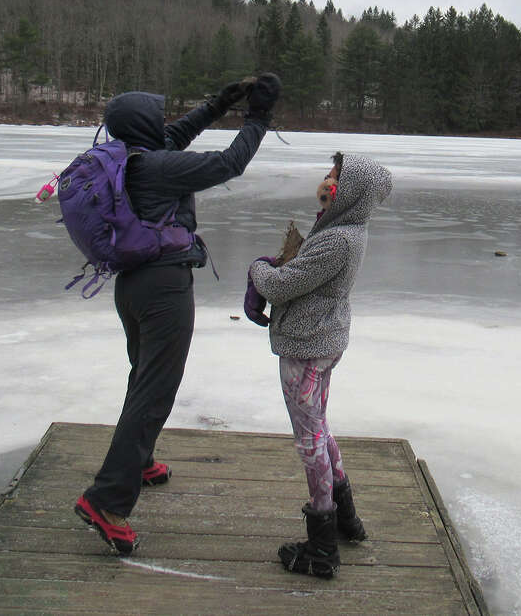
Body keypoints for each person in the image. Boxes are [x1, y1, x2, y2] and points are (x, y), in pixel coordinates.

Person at [73, 73, 282, 554]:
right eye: (157, 117)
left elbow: (178, 133)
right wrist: (258, 117)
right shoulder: (158, 169)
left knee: (142, 377)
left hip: (132, 286)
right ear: (143, 126)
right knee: (155, 392)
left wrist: (219, 101)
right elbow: (230, 162)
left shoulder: (130, 159)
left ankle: (137, 460)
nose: (165, 123)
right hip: (164, 288)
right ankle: (105, 501)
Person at [245, 152, 393, 578]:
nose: (326, 180)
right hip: (323, 340)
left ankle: (322, 547)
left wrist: (258, 269)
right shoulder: (344, 229)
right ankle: (347, 522)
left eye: (335, 176)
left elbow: (281, 285)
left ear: (350, 192)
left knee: (310, 439)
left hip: (308, 345)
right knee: (320, 429)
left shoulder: (337, 239)